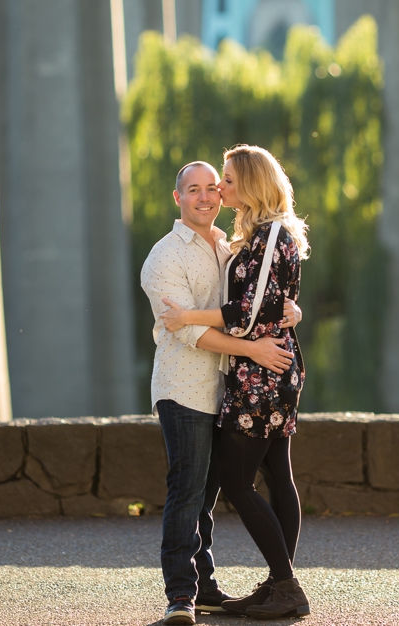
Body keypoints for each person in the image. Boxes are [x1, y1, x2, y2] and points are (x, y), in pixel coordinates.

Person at [140, 160, 302, 626]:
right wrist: (254, 348)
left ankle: (208, 586)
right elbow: (190, 334)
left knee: (211, 494)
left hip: (227, 389)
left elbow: (262, 299)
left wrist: (290, 310)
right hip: (185, 388)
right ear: (178, 198)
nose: (208, 196)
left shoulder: (229, 244)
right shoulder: (165, 256)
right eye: (195, 190)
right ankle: (180, 598)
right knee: (187, 492)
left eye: (214, 187)